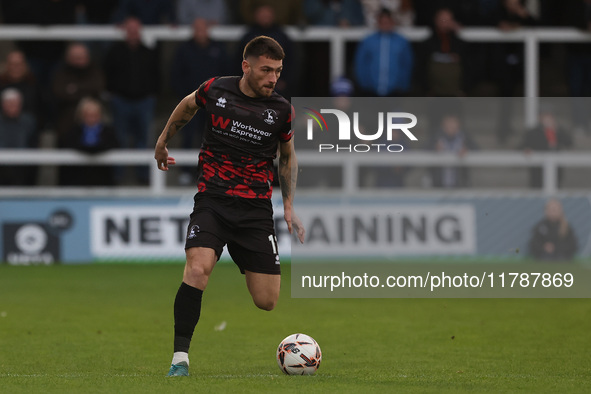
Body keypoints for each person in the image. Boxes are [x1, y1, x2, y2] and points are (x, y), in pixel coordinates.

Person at [154, 35, 305, 377]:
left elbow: (288, 157)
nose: (273, 78)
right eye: (266, 70)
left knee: (266, 301)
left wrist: (289, 205)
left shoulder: (281, 110)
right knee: (197, 269)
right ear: (246, 66)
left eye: (278, 71)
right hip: (213, 201)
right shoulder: (216, 90)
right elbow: (187, 106)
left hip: (254, 211)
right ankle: (180, 359)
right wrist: (163, 141)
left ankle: (239, 251)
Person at [170, 18, 230, 185]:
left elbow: (228, 75)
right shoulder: (184, 50)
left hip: (214, 103)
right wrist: (185, 96)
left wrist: (221, 97)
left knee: (213, 138)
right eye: (197, 29)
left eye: (203, 29)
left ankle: (211, 172)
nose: (200, 33)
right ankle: (186, 172)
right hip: (191, 102)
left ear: (208, 30)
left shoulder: (218, 48)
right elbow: (175, 76)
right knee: (188, 136)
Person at [104, 17, 159, 184]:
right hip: (121, 101)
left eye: (136, 30)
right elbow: (107, 74)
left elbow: (157, 76)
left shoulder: (148, 52)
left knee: (144, 139)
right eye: (130, 30)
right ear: (125, 32)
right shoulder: (114, 52)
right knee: (120, 139)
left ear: (140, 32)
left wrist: (152, 95)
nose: (133, 34)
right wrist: (113, 94)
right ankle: (118, 176)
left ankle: (143, 175)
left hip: (144, 102)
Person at [58, 97, 118, 186]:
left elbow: (113, 145)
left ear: (100, 115)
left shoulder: (108, 132)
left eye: (95, 115)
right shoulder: (72, 133)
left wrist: (90, 147)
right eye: (88, 115)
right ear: (81, 116)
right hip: (76, 184)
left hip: (103, 184)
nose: (92, 119)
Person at [353, 8, 413, 97]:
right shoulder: (368, 41)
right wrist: (365, 84)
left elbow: (407, 64)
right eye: (382, 22)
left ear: (392, 22)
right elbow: (360, 63)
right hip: (371, 92)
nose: (385, 25)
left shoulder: (401, 42)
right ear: (378, 23)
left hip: (395, 92)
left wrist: (402, 85)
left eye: (387, 22)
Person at [52, 42, 105, 137]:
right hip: (67, 112)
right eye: (76, 58)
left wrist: (75, 89)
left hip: (92, 107)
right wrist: (85, 90)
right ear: (68, 58)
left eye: (82, 57)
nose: (79, 61)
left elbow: (97, 88)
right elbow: (59, 92)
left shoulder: (94, 70)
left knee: (91, 112)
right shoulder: (61, 72)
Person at [519, 107, 572, 189]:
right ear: (540, 117)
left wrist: (556, 130)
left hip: (556, 170)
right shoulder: (533, 132)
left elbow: (569, 143)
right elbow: (523, 145)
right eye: (545, 116)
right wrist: (527, 149)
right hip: (537, 171)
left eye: (549, 116)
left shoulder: (559, 131)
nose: (547, 119)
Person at [429, 113, 477, 188]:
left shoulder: (464, 137)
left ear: (458, 125)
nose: (451, 126)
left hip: (460, 184)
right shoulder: (436, 137)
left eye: (453, 124)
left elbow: (477, 149)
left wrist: (467, 149)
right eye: (448, 124)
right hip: (439, 184)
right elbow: (423, 149)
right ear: (443, 126)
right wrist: (435, 148)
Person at [0, 88, 36, 185]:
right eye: (9, 103)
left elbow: (33, 143)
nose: (12, 106)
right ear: (3, 104)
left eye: (15, 103)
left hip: (23, 167)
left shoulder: (29, 121)